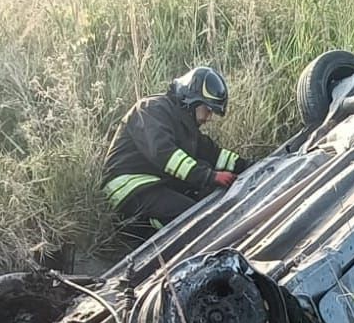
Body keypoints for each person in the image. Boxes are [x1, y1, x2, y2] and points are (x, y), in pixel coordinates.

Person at [101, 66, 253, 238]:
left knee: (204, 173)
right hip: (129, 188)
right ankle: (153, 234)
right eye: (208, 110)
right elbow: (165, 155)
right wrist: (210, 176)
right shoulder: (152, 109)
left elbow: (213, 154)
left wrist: (248, 165)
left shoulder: (184, 125)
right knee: (188, 215)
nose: (209, 117)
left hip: (154, 184)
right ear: (193, 100)